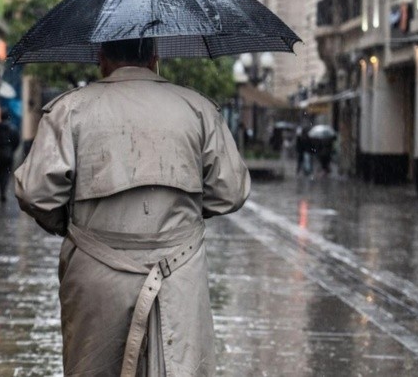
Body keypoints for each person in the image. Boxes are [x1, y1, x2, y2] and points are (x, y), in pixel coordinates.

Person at [14, 38, 250, 376]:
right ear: (155, 57)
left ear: (102, 58)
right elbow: (230, 191)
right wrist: (179, 213)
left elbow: (36, 194)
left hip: (96, 272)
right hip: (179, 273)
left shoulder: (69, 110)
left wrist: (73, 224)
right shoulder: (198, 109)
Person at [0, 110, 20, 202]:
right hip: (8, 154)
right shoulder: (13, 129)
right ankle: (3, 191)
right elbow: (16, 141)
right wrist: (11, 150)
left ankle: (2, 190)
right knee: (6, 174)